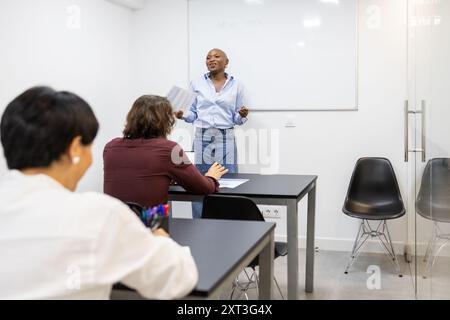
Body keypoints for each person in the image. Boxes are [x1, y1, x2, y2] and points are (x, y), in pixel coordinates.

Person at [0, 87, 198, 299]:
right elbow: (178, 278)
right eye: (89, 145)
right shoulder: (98, 216)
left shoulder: (112, 148)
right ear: (75, 149)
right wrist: (160, 237)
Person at [103, 95, 228, 208]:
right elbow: (203, 188)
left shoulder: (110, 148)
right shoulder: (169, 150)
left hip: (113, 227)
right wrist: (212, 177)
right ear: (165, 122)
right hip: (151, 228)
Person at [174, 48, 249, 217]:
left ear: (226, 62)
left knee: (228, 182)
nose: (211, 60)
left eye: (216, 56)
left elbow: (237, 118)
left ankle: (227, 222)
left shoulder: (237, 85)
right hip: (202, 137)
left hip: (225, 137)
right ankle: (200, 223)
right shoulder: (196, 83)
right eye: (208, 57)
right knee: (198, 182)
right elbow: (192, 114)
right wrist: (182, 114)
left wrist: (242, 115)